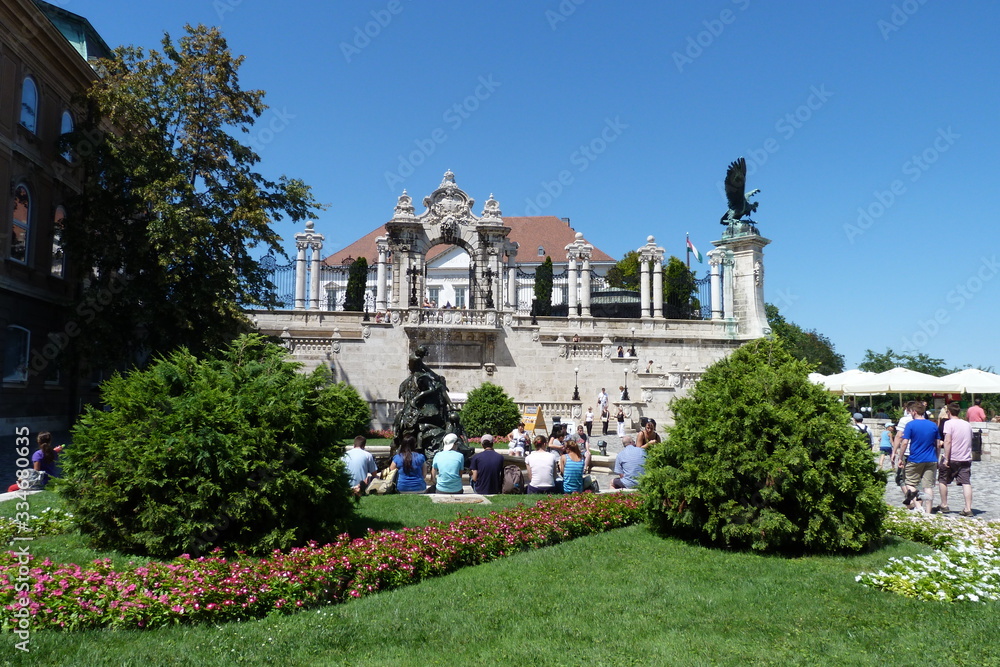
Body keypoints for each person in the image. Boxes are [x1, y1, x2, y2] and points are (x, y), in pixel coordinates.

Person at [897, 401, 940, 513]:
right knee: (928, 486)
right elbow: (938, 443)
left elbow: (905, 442)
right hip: (931, 459)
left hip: (915, 458)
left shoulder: (911, 425)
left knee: (910, 483)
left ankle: (919, 508)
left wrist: (900, 458)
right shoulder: (933, 425)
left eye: (910, 411)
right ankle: (928, 512)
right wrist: (937, 457)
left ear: (914, 412)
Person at [938, 402, 974, 516]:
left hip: (952, 457)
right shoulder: (967, 424)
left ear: (948, 412)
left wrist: (946, 458)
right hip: (965, 457)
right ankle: (968, 508)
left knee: (943, 480)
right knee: (966, 482)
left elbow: (948, 441)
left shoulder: (948, 424)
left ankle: (944, 505)